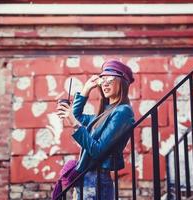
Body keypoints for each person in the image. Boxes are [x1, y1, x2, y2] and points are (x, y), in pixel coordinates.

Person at [55, 59, 135, 200]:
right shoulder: (104, 112)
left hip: (97, 180)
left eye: (110, 79)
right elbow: (77, 116)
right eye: (102, 79)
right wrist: (86, 89)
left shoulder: (123, 112)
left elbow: (98, 151)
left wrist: (73, 122)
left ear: (122, 82)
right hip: (86, 176)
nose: (105, 83)